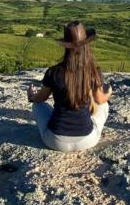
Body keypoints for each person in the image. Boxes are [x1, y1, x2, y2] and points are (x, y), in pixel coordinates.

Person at [27, 21, 112, 152]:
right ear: (86, 46)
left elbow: (41, 99)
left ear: (66, 46)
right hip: (87, 141)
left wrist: (32, 96)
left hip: (54, 141)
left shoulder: (53, 71)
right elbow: (100, 100)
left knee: (37, 105)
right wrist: (109, 92)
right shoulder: (94, 72)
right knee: (104, 105)